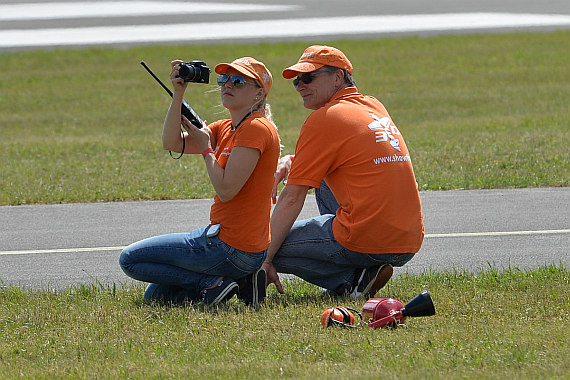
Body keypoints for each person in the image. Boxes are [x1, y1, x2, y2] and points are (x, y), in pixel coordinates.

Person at [262, 45, 424, 298]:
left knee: (266, 246)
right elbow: (351, 156)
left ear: (338, 77)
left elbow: (292, 198)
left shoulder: (323, 119)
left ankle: (352, 280)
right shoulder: (372, 105)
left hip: (371, 240)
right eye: (296, 81)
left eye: (308, 78)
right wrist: (293, 160)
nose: (300, 86)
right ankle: (362, 269)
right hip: (409, 241)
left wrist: (263, 261)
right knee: (326, 180)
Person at [120, 57, 280, 307]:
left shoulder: (257, 128)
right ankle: (240, 281)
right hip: (229, 242)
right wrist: (178, 96)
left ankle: (212, 284)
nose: (228, 85)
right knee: (156, 296)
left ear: (259, 93)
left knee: (130, 259)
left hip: (232, 246)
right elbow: (171, 143)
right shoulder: (227, 127)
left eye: (238, 81)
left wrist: (207, 149)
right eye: (223, 79)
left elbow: (226, 190)